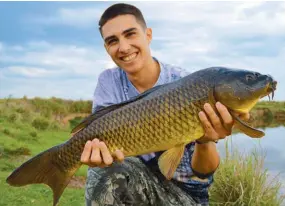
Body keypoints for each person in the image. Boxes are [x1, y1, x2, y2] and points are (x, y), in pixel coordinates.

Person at [81, 3, 249, 206]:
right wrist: (94, 152)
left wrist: (204, 141)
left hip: (187, 193)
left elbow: (205, 172)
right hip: (137, 180)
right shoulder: (108, 81)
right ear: (106, 48)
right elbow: (96, 133)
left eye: (130, 34)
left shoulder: (188, 83)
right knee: (101, 171)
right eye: (112, 41)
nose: (124, 47)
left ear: (148, 35)